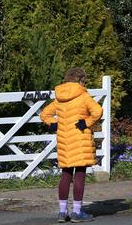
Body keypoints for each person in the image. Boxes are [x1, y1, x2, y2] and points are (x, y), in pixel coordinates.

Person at [40, 67, 103, 223]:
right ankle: (76, 212)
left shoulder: (59, 98)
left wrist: (53, 123)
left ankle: (62, 213)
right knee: (80, 174)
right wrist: (86, 122)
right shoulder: (83, 96)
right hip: (80, 139)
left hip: (64, 140)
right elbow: (98, 111)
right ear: (81, 80)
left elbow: (44, 114)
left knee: (66, 175)